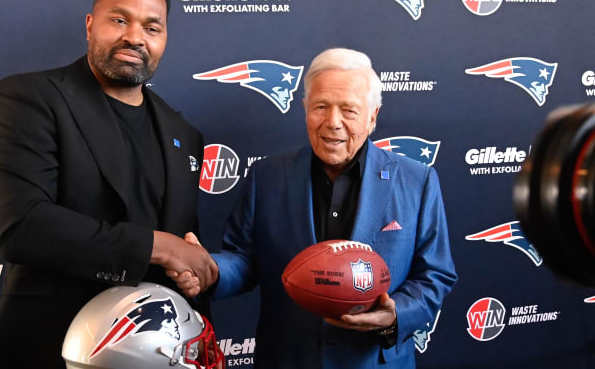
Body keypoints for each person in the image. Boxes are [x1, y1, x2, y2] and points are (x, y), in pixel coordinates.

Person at [0, 0, 217, 368]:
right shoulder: (32, 98)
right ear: (91, 24)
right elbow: (20, 227)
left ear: (164, 39)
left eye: (151, 27)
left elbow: (180, 254)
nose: (135, 37)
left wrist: (188, 273)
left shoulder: (184, 134)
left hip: (154, 356)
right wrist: (160, 246)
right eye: (119, 20)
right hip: (49, 346)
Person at [171, 48, 457, 368]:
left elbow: (435, 274)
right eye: (321, 106)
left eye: (349, 110)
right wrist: (209, 271)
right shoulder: (266, 176)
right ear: (306, 108)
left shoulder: (417, 181)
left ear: (373, 115)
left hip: (374, 360)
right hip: (287, 358)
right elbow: (245, 259)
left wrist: (395, 314)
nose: (333, 122)